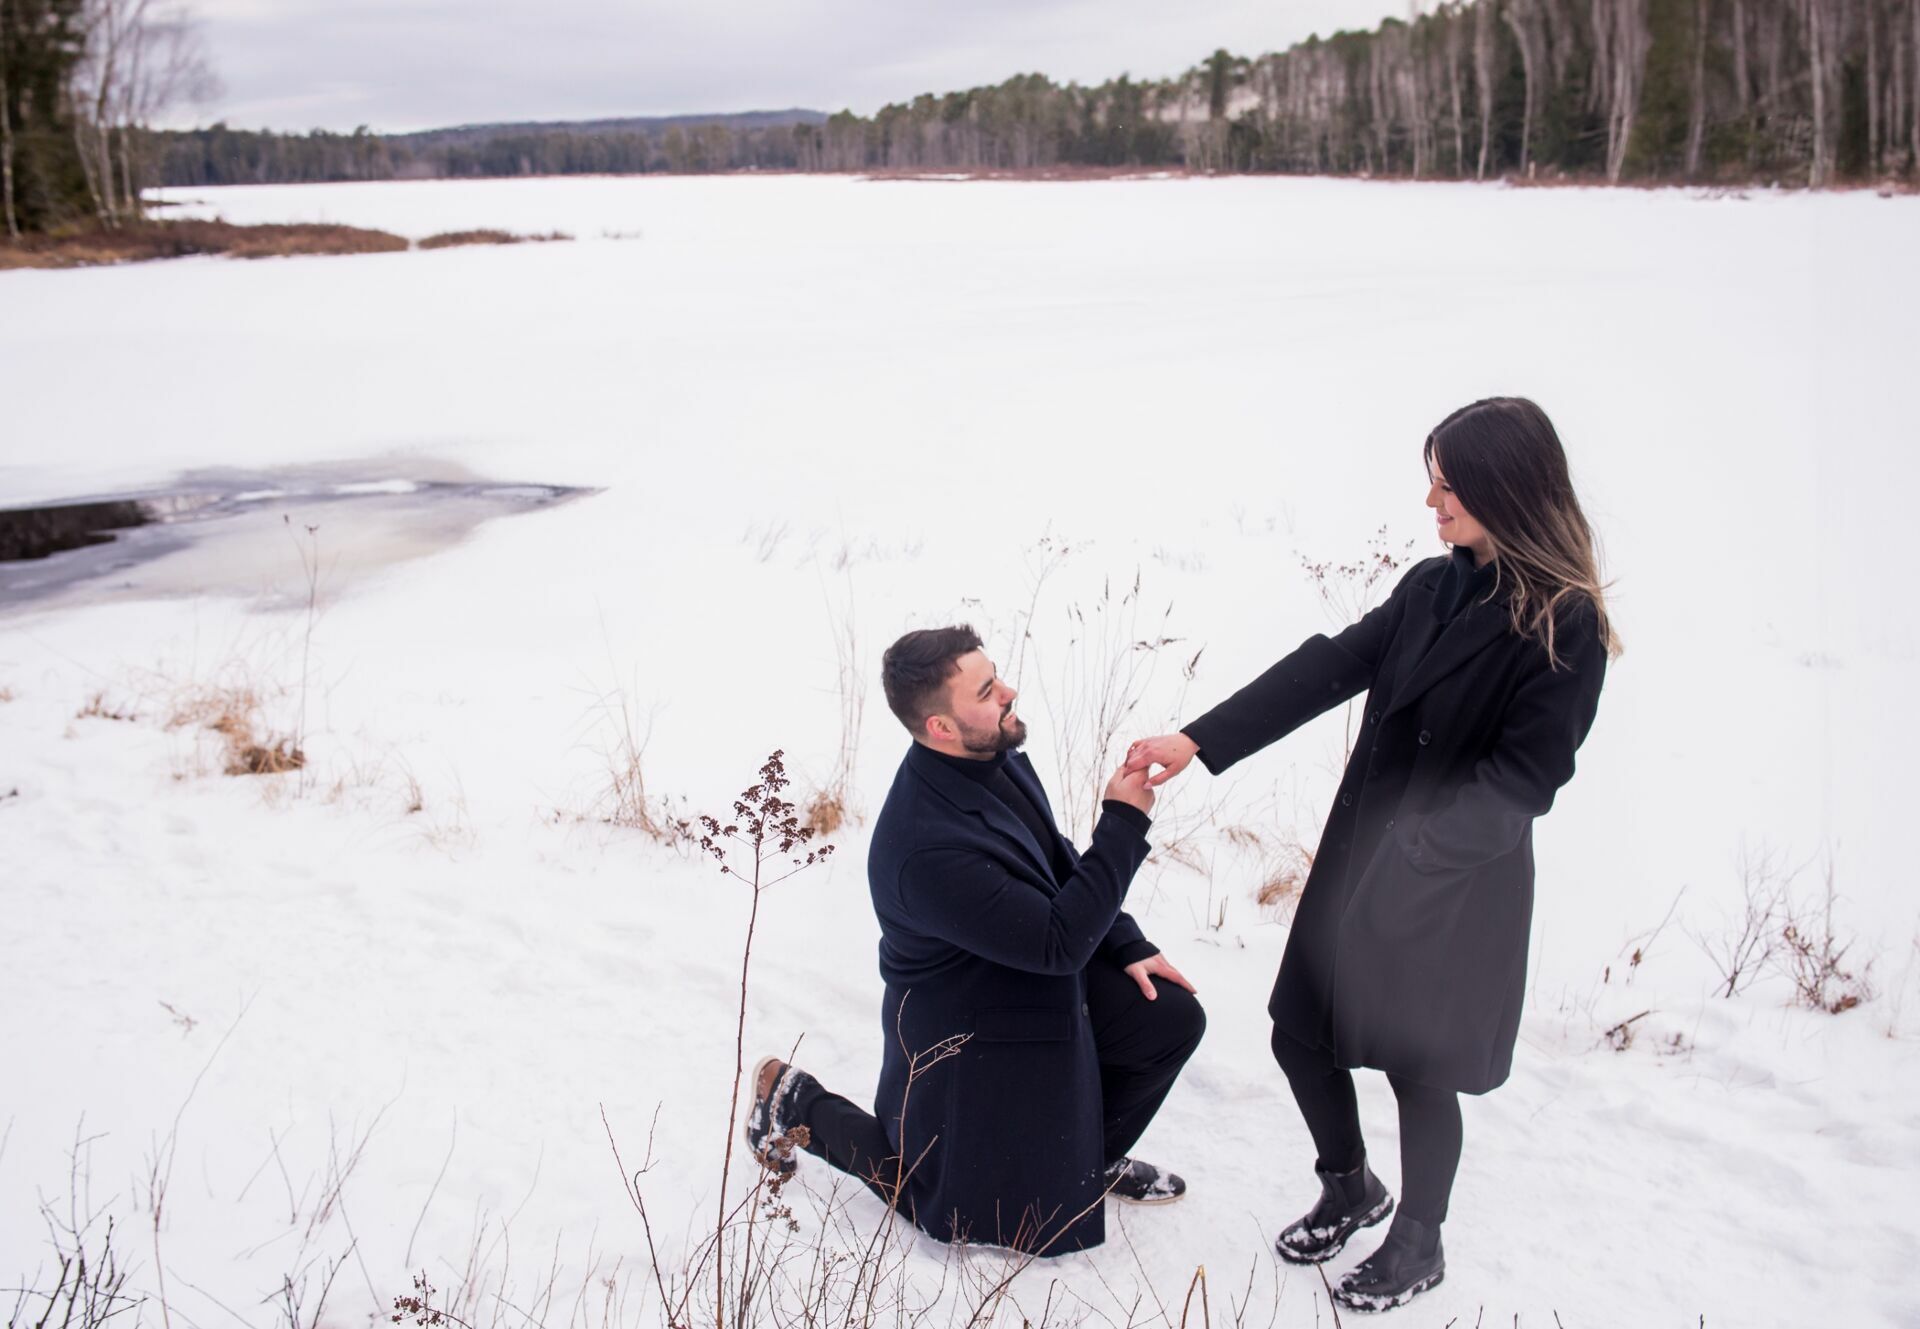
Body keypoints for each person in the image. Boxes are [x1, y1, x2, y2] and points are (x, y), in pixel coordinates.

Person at [1126, 397, 1616, 1311]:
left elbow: (1523, 782)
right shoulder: (1433, 586)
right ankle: (1349, 1183)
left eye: (1449, 485)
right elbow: (1328, 665)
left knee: (1415, 1066)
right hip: (1363, 858)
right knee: (1296, 1028)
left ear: (1509, 489)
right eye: (1430, 481)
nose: (1431, 502)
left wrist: (1417, 859)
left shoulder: (1564, 622)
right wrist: (1198, 738)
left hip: (1451, 885)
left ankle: (1419, 1238)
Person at [745, 625, 1205, 1254]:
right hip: (965, 1026)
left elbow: (1051, 857)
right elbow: (1059, 944)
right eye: (988, 690)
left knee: (1168, 1018)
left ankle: (1084, 1160)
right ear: (940, 726)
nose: (1009, 693)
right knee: (943, 1198)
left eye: (997, 676)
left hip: (1027, 962)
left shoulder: (991, 750)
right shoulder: (924, 846)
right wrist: (1123, 823)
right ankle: (793, 1103)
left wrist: (1124, 940)